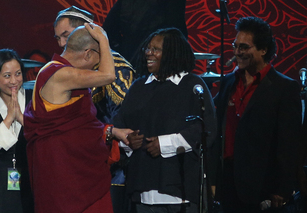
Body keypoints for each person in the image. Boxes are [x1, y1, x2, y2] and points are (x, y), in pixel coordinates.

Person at [23, 24, 132, 213]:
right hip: (66, 177)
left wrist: (112, 131)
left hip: (71, 169)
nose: (94, 68)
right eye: (96, 61)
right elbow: (108, 75)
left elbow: (80, 126)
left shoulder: (52, 70)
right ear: (88, 53)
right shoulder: (61, 73)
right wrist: (104, 40)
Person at [113, 28, 216, 213]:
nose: (148, 53)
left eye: (156, 49)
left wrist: (165, 144)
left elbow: (205, 129)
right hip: (141, 189)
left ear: (172, 53)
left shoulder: (192, 85)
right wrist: (128, 141)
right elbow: (119, 125)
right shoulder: (138, 87)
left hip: (179, 192)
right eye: (148, 48)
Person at [211, 16, 302, 212]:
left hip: (263, 187)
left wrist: (282, 188)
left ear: (263, 50)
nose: (237, 52)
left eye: (244, 47)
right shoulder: (228, 82)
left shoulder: (284, 88)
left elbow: (290, 144)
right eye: (235, 46)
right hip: (228, 183)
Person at [54, 6, 135, 213]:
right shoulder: (66, 71)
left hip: (111, 168)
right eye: (58, 39)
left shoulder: (118, 69)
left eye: (66, 36)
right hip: (78, 164)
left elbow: (126, 122)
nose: (62, 44)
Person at [0, 49, 34, 212]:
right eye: (7, 76)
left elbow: (44, 135)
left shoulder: (33, 98)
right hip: (1, 174)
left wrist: (21, 118)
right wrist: (8, 119)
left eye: (18, 74)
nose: (14, 81)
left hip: (32, 171)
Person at [102, 0, 188, 64]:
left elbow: (108, 31)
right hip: (160, 65)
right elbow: (178, 34)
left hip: (130, 62)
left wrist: (123, 52)